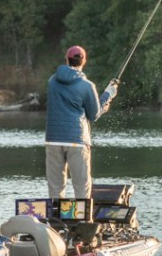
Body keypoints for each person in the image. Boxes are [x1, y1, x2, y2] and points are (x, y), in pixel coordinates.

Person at [45, 45, 117, 199]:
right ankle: (82, 214)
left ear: (67, 59)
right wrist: (108, 94)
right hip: (76, 141)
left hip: (52, 140)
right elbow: (94, 114)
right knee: (81, 185)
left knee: (55, 186)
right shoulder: (87, 85)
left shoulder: (52, 81)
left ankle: (56, 214)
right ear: (84, 61)